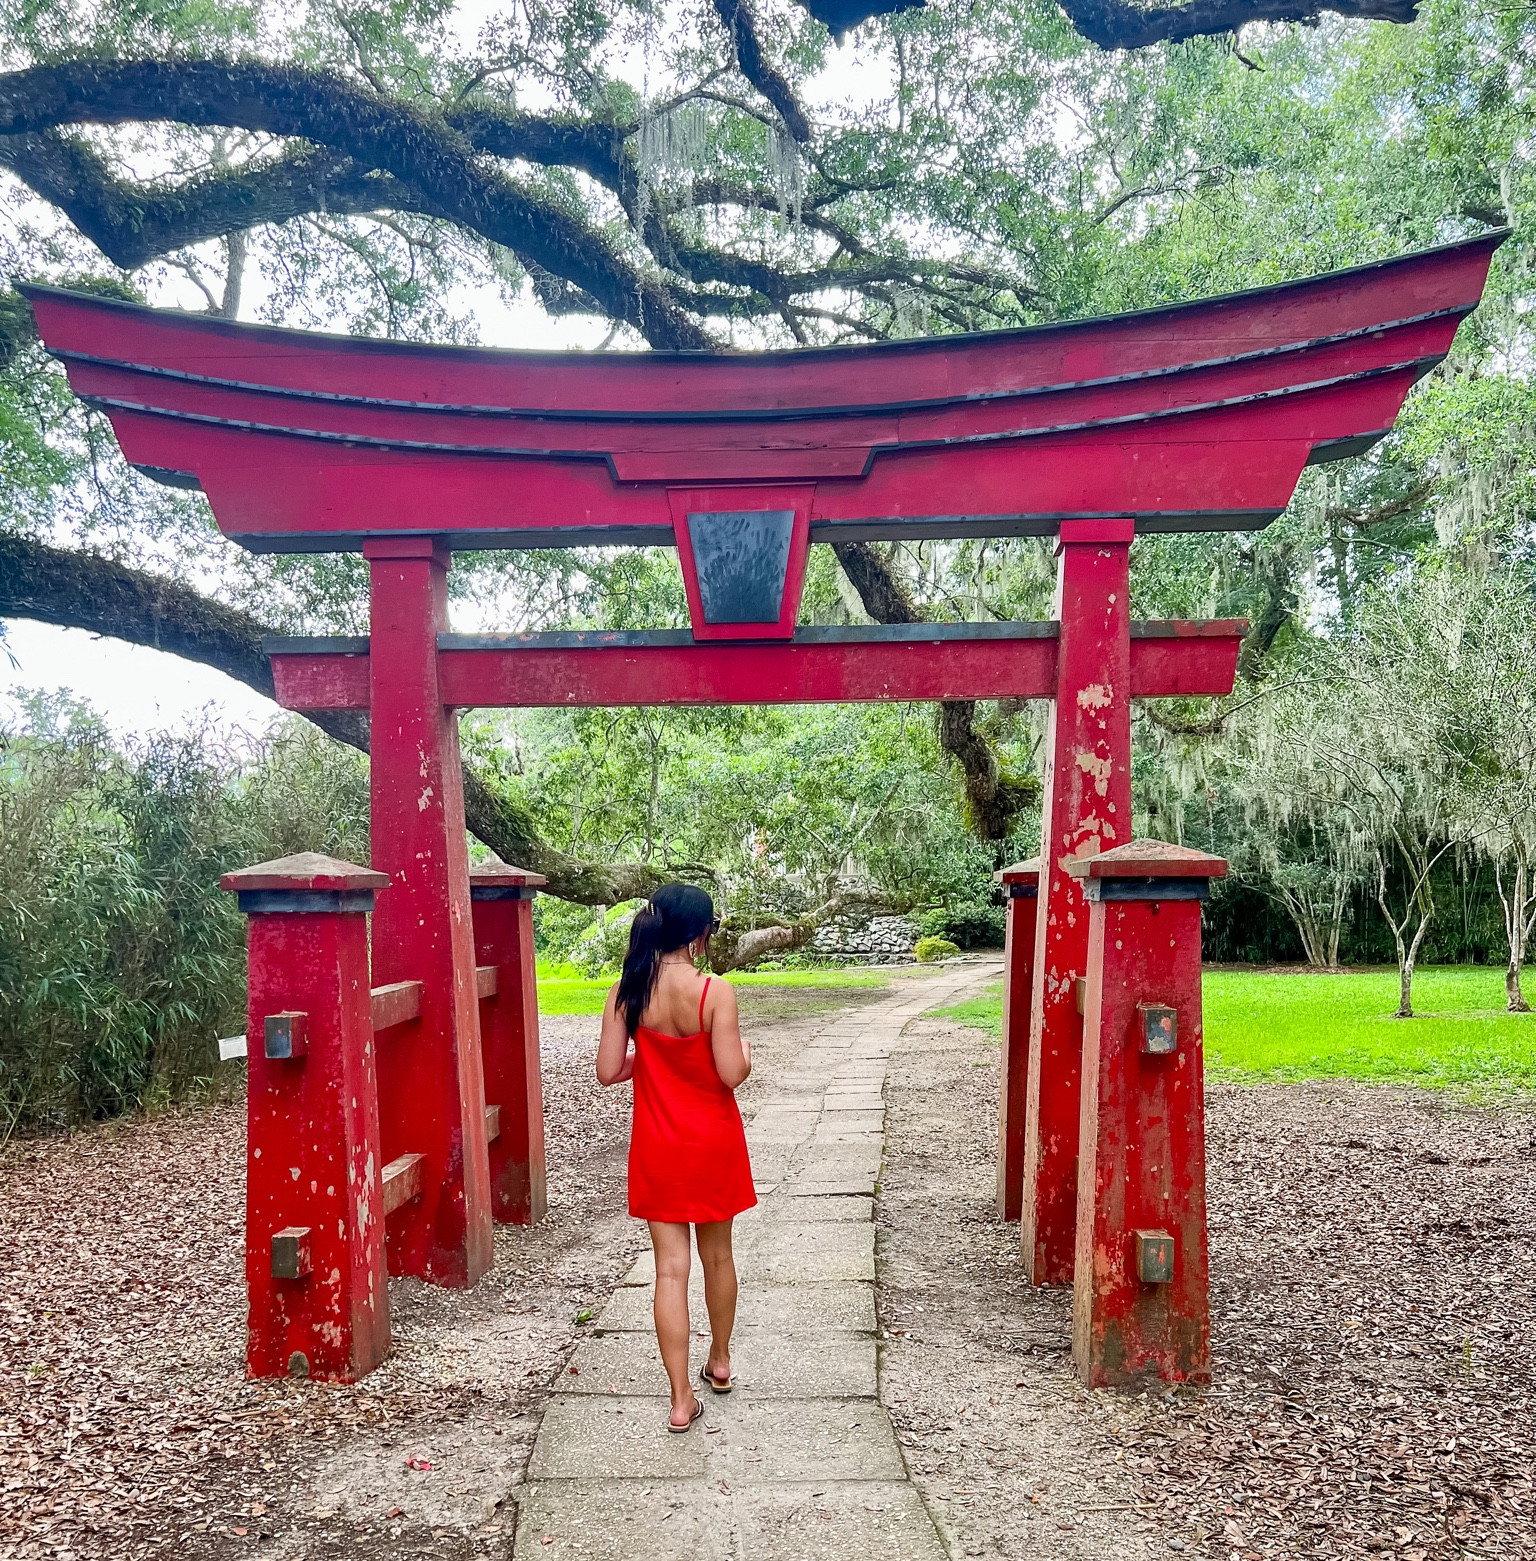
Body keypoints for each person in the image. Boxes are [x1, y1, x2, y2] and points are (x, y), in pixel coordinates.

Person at [596, 883, 755, 1432]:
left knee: (669, 1270)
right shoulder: (716, 992)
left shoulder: (626, 990)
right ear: (700, 932)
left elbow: (610, 1070)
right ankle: (721, 1359)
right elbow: (731, 1073)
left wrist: (654, 1058)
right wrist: (745, 1052)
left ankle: (680, 1398)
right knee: (719, 1258)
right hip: (712, 1143)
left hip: (658, 1146)